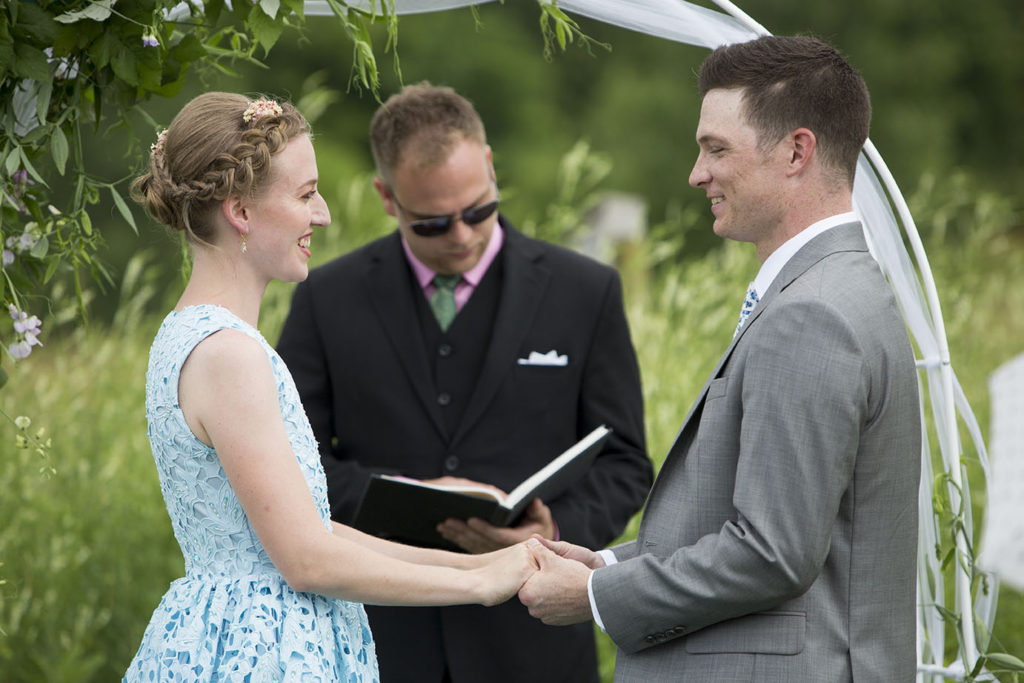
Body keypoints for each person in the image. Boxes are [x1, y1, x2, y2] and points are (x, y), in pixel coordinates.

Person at [518, 35, 922, 682]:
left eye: (716, 149)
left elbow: (771, 553)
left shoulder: (811, 315)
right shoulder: (836, 289)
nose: (696, 172)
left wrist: (595, 598)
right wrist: (610, 566)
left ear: (797, 151)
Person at [123, 91, 538, 681]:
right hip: (261, 651)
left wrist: (486, 566)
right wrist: (475, 586)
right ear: (240, 211)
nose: (322, 214)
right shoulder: (229, 355)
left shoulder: (191, 335)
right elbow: (307, 561)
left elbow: (311, 530)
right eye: (304, 194)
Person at [276, 82, 652, 682]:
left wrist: (551, 529)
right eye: (432, 223)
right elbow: (293, 463)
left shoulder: (585, 292)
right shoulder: (326, 298)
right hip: (379, 641)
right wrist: (399, 494)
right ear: (387, 197)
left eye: (478, 209)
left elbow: (626, 460)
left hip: (533, 644)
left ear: (490, 166)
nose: (461, 235)